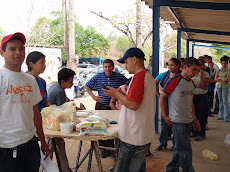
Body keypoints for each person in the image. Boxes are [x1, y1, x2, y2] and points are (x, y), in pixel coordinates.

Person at [0, 32, 49, 171]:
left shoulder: (30, 80)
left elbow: (35, 114)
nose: (18, 52)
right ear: (2, 52)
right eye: (12, 48)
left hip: (30, 145)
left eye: (21, 48)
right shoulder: (1, 76)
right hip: (6, 148)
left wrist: (43, 142)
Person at [103, 47, 156, 172]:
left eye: (126, 63)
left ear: (135, 59)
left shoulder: (139, 76)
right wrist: (117, 93)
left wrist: (116, 94)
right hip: (141, 133)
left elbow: (133, 105)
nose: (125, 66)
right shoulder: (147, 76)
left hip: (133, 135)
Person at [160, 57, 201, 172]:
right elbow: (163, 96)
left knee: (181, 149)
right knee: (185, 149)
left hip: (188, 120)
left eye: (197, 70)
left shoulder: (191, 83)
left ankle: (173, 169)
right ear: (185, 67)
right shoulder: (175, 80)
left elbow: (190, 103)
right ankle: (181, 169)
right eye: (194, 69)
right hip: (177, 121)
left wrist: (195, 120)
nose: (195, 73)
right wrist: (164, 115)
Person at [84, 59, 127, 158]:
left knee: (112, 128)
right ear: (103, 67)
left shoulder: (119, 77)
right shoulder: (98, 76)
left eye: (109, 66)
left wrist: (121, 95)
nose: (107, 69)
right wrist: (93, 97)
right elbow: (87, 86)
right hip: (101, 106)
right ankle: (102, 149)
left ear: (113, 67)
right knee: (100, 127)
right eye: (105, 67)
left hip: (114, 107)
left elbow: (127, 85)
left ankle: (111, 150)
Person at [48, 68, 76, 172]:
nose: (72, 84)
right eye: (70, 82)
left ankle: (65, 169)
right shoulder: (59, 91)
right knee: (53, 148)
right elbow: (64, 112)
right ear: (63, 82)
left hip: (52, 123)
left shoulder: (55, 86)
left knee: (56, 147)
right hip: (54, 126)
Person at [156, 58, 181, 151]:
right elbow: (160, 84)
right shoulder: (166, 74)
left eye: (172, 65)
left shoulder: (180, 76)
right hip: (165, 102)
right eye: (169, 65)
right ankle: (162, 143)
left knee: (175, 123)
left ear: (178, 66)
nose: (170, 67)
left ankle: (175, 144)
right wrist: (160, 94)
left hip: (176, 103)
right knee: (164, 122)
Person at [191, 58, 210, 141]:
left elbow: (204, 86)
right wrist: (197, 86)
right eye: (197, 64)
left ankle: (201, 134)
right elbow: (190, 85)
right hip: (193, 96)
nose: (199, 66)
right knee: (193, 115)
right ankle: (194, 132)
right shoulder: (192, 74)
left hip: (202, 96)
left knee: (202, 115)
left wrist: (201, 76)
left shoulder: (205, 74)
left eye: (201, 64)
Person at [214, 56, 230, 122]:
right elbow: (215, 78)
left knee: (225, 102)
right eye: (222, 63)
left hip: (225, 87)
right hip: (219, 87)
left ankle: (227, 117)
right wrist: (222, 79)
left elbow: (227, 79)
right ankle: (221, 115)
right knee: (220, 101)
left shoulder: (228, 71)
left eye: (225, 63)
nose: (223, 65)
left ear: (227, 64)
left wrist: (220, 79)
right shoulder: (219, 70)